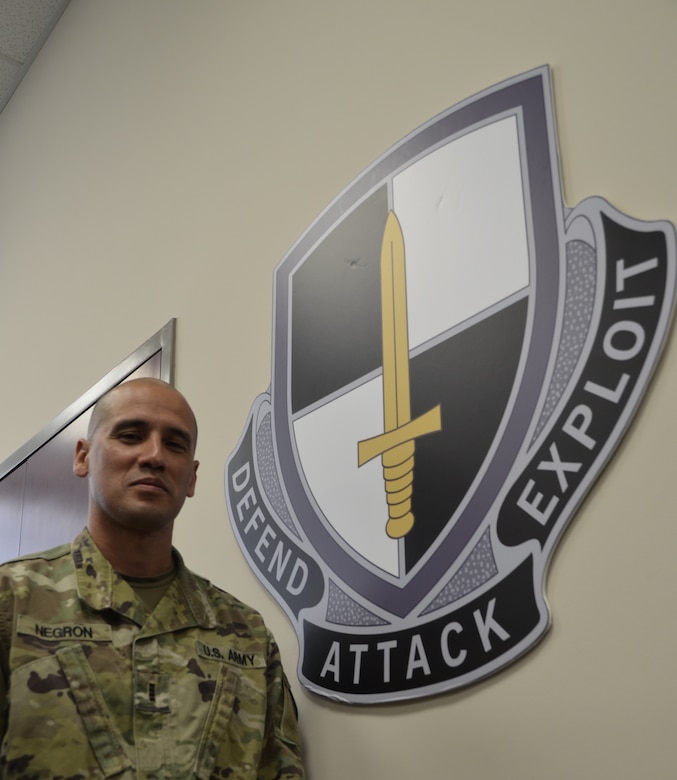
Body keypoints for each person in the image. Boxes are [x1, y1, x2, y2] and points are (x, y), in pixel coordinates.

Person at [0, 378, 305, 779]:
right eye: (130, 436)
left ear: (191, 477)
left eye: (175, 445)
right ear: (83, 457)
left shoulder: (245, 633)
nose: (154, 456)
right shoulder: (13, 600)